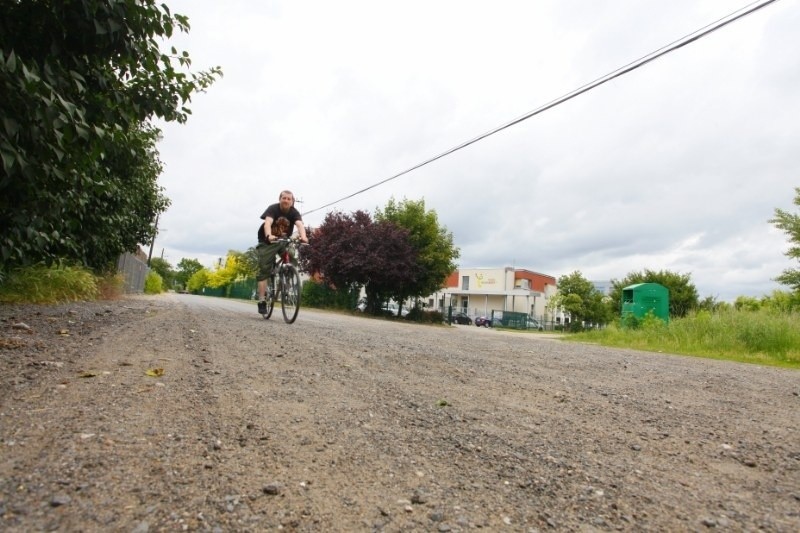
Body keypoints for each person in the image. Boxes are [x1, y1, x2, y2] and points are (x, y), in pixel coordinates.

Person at [256, 190, 308, 314]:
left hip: (283, 241)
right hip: (267, 242)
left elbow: (300, 225)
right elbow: (267, 223)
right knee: (264, 270)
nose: (286, 200)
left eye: (288, 199)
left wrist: (304, 237)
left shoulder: (294, 212)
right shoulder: (273, 209)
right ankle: (262, 300)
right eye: (284, 198)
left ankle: (286, 281)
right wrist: (269, 235)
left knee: (291, 259)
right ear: (280, 199)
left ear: (292, 201)